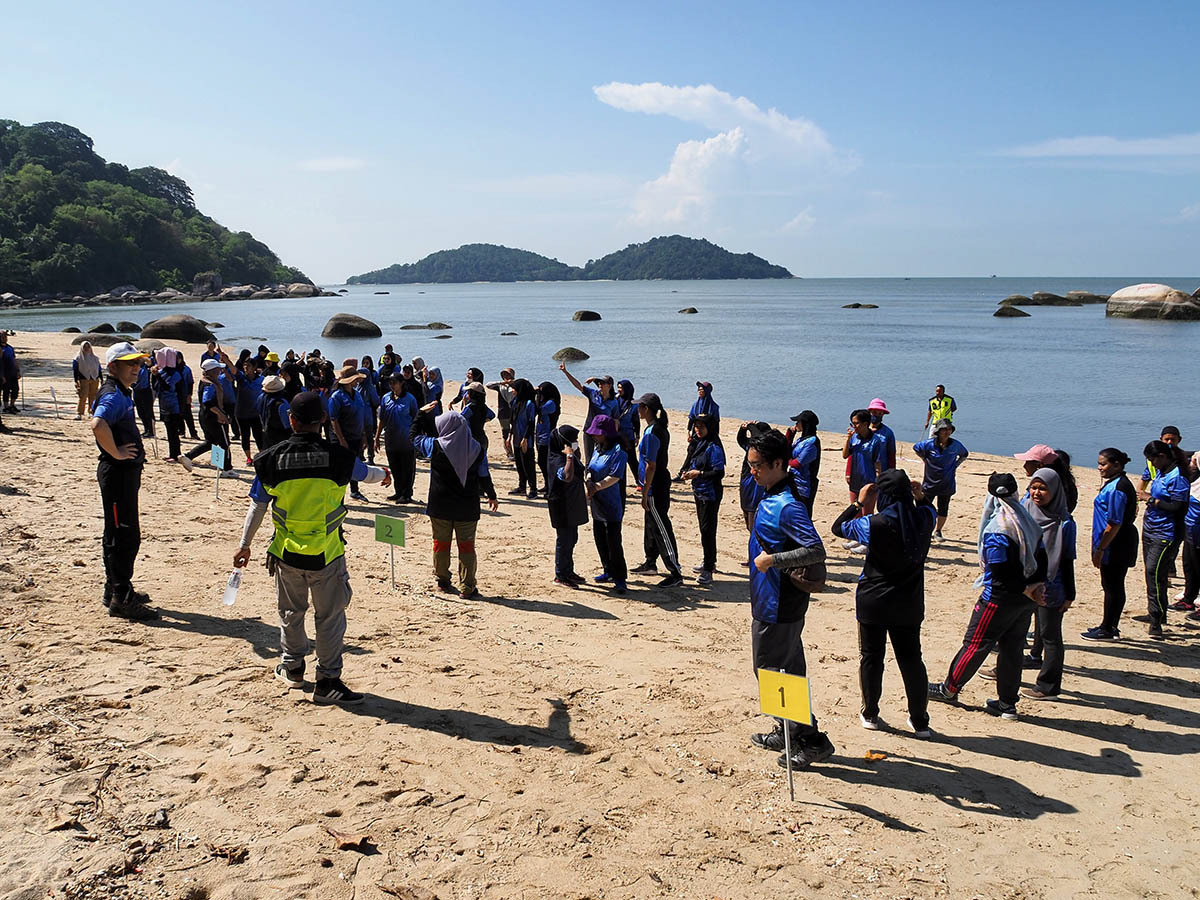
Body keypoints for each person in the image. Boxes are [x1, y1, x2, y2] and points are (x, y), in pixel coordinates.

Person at [233, 391, 391, 705]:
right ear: (321, 420)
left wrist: (244, 545)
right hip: (326, 554)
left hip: (286, 554)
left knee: (291, 612)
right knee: (329, 619)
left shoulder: (269, 460)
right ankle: (328, 681)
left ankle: (292, 667)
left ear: (290, 420)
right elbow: (367, 474)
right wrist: (384, 474)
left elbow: (257, 508)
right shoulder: (339, 457)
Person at [746, 429, 835, 769]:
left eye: (757, 466)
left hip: (778, 602)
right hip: (771, 599)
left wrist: (773, 560)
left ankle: (809, 739)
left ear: (778, 464)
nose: (752, 471)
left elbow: (815, 550)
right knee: (789, 667)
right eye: (750, 464)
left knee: (770, 670)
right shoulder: (774, 490)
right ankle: (786, 729)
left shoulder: (786, 506)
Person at [928, 473, 1047, 721]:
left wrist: (1024, 588)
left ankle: (949, 689)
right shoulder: (1028, 521)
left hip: (999, 599)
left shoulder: (998, 528)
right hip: (1026, 600)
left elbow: (1000, 571)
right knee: (1012, 648)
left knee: (975, 644)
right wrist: (1035, 586)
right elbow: (1042, 558)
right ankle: (1006, 703)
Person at [832, 468, 936, 737]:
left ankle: (870, 713)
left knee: (871, 658)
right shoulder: (924, 519)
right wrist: (921, 496)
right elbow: (930, 510)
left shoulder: (874, 524)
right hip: (909, 602)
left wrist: (858, 502)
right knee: (912, 660)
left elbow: (839, 528)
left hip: (874, 600)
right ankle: (919, 719)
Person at [90, 341, 158, 621]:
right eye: (131, 364)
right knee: (124, 535)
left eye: (139, 364)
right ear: (113, 367)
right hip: (117, 474)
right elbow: (97, 423)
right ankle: (121, 597)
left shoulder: (119, 391)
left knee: (118, 533)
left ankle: (115, 588)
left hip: (122, 474)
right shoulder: (114, 396)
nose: (137, 368)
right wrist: (116, 452)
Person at [412, 411, 499, 598]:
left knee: (441, 544)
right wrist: (491, 495)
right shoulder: (477, 449)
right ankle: (467, 587)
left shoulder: (434, 446)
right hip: (467, 506)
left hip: (439, 505)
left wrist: (420, 415)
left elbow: (413, 437)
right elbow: (484, 475)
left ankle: (443, 581)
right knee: (466, 547)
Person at [1020, 469, 1076, 699]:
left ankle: (1049, 686)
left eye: (1043, 488)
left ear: (1054, 491)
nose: (1037, 493)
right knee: (1014, 629)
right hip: (1023, 581)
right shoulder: (1024, 512)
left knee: (1050, 635)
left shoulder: (1064, 523)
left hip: (1052, 585)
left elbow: (1067, 559)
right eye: (1034, 487)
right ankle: (1006, 671)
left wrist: (1069, 594)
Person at [1081, 448, 1139, 641]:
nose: (1099, 468)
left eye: (1103, 464)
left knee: (1113, 585)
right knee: (1110, 584)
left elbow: (1114, 523)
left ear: (1116, 465)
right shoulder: (1114, 484)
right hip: (1113, 541)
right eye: (1099, 464)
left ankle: (1108, 627)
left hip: (1117, 543)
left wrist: (1101, 548)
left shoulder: (1118, 488)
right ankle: (1108, 625)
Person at [631, 392, 683, 587]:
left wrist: (645, 491)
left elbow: (650, 465)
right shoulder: (657, 428)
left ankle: (675, 571)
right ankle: (650, 562)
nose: (638, 410)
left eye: (640, 407)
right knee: (650, 523)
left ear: (646, 409)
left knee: (661, 526)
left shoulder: (653, 432)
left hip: (656, 484)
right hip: (656, 481)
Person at [1137, 440, 1189, 638]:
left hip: (1166, 533)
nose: (1151, 463)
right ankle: (1157, 612)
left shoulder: (1178, 476)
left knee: (1155, 573)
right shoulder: (1162, 471)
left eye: (1152, 460)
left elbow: (1178, 507)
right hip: (1150, 528)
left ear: (1162, 457)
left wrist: (1151, 499)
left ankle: (1156, 619)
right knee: (1151, 574)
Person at [583, 415, 628, 594]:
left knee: (613, 541)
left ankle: (620, 578)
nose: (594, 436)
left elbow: (615, 476)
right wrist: (588, 480)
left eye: (597, 433)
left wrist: (596, 487)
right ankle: (607, 570)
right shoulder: (597, 447)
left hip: (611, 503)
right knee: (600, 537)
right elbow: (590, 467)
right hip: (597, 503)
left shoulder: (619, 451)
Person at [679, 413, 725, 585]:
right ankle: (708, 561)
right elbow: (692, 461)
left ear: (709, 428)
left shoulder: (714, 446)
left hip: (710, 494)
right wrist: (686, 472)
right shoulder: (698, 444)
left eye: (701, 427)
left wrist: (699, 474)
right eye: (696, 426)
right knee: (704, 529)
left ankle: (708, 568)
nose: (698, 430)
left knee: (708, 530)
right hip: (699, 492)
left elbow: (719, 472)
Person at [913, 419, 969, 540]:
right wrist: (924, 458)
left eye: (949, 429)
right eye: (944, 429)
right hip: (930, 482)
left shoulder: (955, 445)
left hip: (947, 483)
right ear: (938, 431)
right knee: (923, 507)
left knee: (943, 508)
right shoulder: (928, 444)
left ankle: (938, 531)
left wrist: (955, 465)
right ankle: (922, 529)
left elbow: (964, 454)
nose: (947, 432)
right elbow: (916, 448)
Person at [546, 424, 588, 587]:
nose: (575, 442)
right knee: (564, 540)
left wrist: (575, 455)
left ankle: (568, 570)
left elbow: (579, 469)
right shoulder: (556, 459)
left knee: (572, 538)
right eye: (573, 440)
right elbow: (567, 476)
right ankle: (560, 575)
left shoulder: (566, 456)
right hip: (561, 505)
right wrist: (570, 456)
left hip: (571, 503)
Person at [841, 408, 881, 552]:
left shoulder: (876, 441)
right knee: (855, 511)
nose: (854, 427)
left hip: (869, 482)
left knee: (867, 514)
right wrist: (848, 438)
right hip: (855, 480)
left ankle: (867, 542)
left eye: (856, 424)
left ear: (865, 424)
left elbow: (878, 463)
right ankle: (857, 538)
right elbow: (845, 455)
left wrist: (877, 481)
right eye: (852, 423)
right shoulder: (854, 438)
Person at [328, 364, 369, 502]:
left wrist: (363, 435)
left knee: (354, 463)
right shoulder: (336, 397)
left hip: (356, 436)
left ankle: (355, 490)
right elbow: (334, 420)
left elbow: (360, 415)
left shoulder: (357, 394)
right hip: (342, 438)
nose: (357, 382)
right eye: (355, 379)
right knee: (340, 468)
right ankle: (337, 496)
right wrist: (341, 440)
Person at [560, 364, 618, 460]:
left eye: (603, 383)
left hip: (603, 434)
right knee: (589, 458)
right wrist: (566, 372)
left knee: (602, 458)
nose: (600, 384)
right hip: (589, 430)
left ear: (609, 386)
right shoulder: (593, 394)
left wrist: (614, 436)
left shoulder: (614, 402)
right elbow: (578, 385)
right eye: (599, 382)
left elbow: (615, 419)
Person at [184, 359, 233, 472]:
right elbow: (208, 402)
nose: (220, 371)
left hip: (205, 416)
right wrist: (221, 414)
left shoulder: (208, 380)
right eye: (218, 369)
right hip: (213, 418)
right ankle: (227, 469)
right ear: (212, 371)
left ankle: (188, 456)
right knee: (224, 444)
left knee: (211, 442)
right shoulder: (209, 384)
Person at [376, 372, 418, 503]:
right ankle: (398, 491)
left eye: (394, 382)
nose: (392, 385)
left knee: (407, 468)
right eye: (390, 383)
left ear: (401, 383)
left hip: (406, 440)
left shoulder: (410, 399)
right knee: (395, 467)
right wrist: (377, 437)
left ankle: (407, 494)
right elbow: (382, 419)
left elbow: (416, 419)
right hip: (391, 439)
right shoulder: (386, 398)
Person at [1014, 444, 1079, 512]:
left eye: (1027, 462)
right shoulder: (1065, 484)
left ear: (1039, 465)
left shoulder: (1045, 490)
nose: (1024, 466)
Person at [150, 349, 186, 463]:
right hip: (164, 406)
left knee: (173, 432)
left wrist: (158, 376)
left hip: (173, 407)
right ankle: (172, 453)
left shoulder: (175, 373)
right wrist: (154, 375)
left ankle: (176, 455)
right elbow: (156, 387)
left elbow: (167, 386)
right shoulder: (162, 372)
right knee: (170, 432)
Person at [737, 421, 772, 532]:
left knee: (753, 524)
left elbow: (757, 436)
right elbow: (741, 440)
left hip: (755, 489)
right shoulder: (750, 447)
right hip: (746, 485)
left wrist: (750, 426)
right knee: (748, 519)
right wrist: (742, 429)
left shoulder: (765, 449)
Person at [786, 410, 820, 515]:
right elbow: (787, 451)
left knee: (802, 514)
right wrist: (790, 435)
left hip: (805, 486)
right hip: (794, 481)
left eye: (798, 422)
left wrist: (786, 461)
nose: (796, 424)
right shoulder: (801, 440)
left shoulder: (812, 442)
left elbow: (798, 463)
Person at [508, 378, 538, 498]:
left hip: (526, 439)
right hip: (516, 437)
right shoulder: (516, 402)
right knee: (519, 464)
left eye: (514, 389)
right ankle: (521, 487)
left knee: (528, 465)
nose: (512, 391)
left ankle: (533, 489)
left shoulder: (530, 404)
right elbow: (513, 421)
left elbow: (531, 423)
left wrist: (525, 438)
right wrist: (509, 436)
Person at [1178, 451, 1200, 614]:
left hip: (1198, 531)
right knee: (1189, 565)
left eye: (1193, 461)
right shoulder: (1193, 481)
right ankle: (1188, 598)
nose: (1190, 464)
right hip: (1189, 530)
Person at [233, 356, 265, 465]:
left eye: (249, 365)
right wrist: (226, 359)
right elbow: (234, 370)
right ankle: (249, 458)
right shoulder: (241, 378)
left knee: (258, 436)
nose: (246, 367)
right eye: (244, 365)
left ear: (254, 367)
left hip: (256, 413)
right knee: (245, 436)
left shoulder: (261, 379)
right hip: (241, 413)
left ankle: (262, 456)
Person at [535, 381, 562, 494]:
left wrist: (534, 396)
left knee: (544, 462)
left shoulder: (551, 403)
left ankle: (550, 486)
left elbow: (538, 410)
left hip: (547, 437)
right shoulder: (545, 401)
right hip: (540, 436)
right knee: (542, 462)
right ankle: (547, 484)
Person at [486, 368, 516, 459]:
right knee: (505, 433)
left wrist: (512, 383)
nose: (506, 377)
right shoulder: (500, 387)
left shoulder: (516, 385)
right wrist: (500, 383)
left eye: (508, 375)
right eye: (504, 375)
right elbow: (488, 385)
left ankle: (516, 451)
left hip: (514, 412)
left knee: (516, 432)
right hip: (503, 413)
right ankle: (509, 453)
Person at [614, 379, 640, 482]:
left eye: (621, 388)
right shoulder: (614, 399)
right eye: (618, 387)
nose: (619, 390)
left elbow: (636, 421)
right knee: (617, 459)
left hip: (628, 435)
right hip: (615, 434)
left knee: (632, 459)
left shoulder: (633, 404)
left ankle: (639, 480)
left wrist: (637, 436)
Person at [256, 375, 292, 449]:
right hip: (280, 437)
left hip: (266, 434)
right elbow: (287, 424)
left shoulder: (261, 398)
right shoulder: (282, 403)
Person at [358, 355, 381, 464]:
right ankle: (362, 455)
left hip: (366, 415)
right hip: (361, 415)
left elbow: (376, 401)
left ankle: (370, 457)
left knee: (368, 436)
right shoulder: (358, 386)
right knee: (360, 436)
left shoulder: (369, 387)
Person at [72, 341, 102, 419]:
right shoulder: (78, 358)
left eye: (88, 347)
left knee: (93, 396)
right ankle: (79, 413)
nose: (86, 348)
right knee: (83, 396)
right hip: (83, 379)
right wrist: (76, 380)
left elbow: (99, 369)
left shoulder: (95, 358)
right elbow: (75, 370)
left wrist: (101, 379)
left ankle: (91, 412)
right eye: (84, 347)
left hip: (94, 378)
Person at [867, 398, 896, 470]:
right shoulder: (862, 429)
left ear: (883, 415)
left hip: (882, 470)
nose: (876, 415)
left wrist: (891, 473)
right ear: (870, 412)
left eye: (879, 413)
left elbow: (891, 455)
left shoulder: (888, 433)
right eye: (874, 412)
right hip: (864, 469)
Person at [176, 352, 199, 439]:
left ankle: (193, 433)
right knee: (179, 415)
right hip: (176, 395)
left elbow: (190, 383)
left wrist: (189, 395)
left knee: (188, 415)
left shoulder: (186, 369)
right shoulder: (173, 369)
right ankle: (181, 431)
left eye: (179, 358)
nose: (177, 360)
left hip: (185, 394)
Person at [132, 357, 156, 438]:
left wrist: (143, 357)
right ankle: (146, 429)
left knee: (148, 412)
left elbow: (150, 362)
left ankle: (151, 431)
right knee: (140, 412)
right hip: (136, 391)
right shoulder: (134, 368)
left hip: (146, 391)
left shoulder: (146, 367)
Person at [0, 331, 19, 414]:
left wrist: (18, 370)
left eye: (5, 336)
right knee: (6, 390)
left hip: (13, 372)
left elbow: (14, 359)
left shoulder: (10, 348)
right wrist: (2, 375)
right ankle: (6, 407)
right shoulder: (0, 349)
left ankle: (12, 405)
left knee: (15, 389)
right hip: (4, 372)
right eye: (2, 336)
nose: (4, 338)